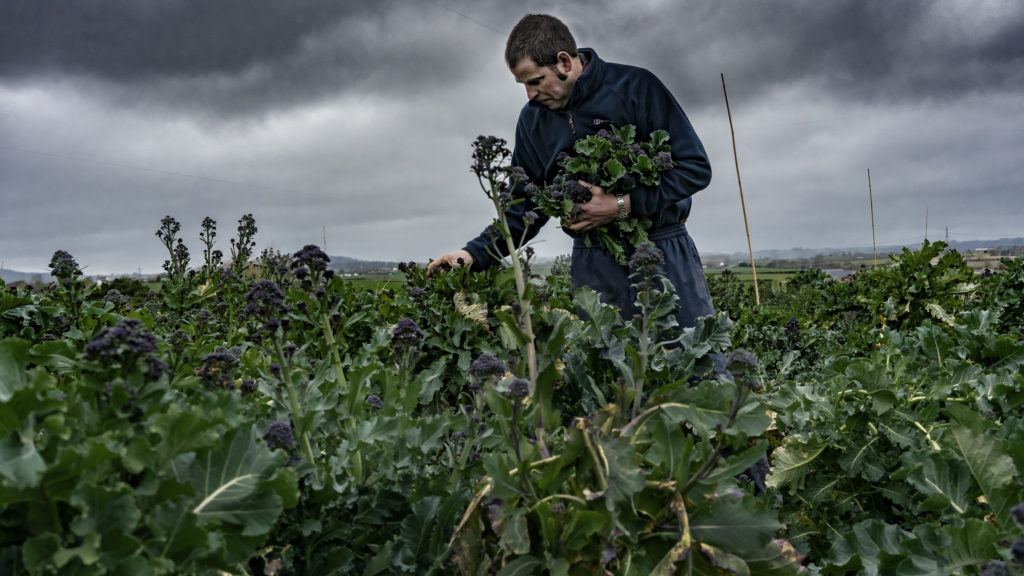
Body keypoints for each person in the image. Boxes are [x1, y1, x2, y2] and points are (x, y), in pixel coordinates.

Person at [428, 13, 717, 345]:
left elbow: (695, 167)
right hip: (594, 263)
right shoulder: (533, 121)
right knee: (608, 378)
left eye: (535, 80)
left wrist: (621, 206)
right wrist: (470, 256)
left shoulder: (636, 87)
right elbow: (523, 210)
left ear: (564, 62)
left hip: (662, 250)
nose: (530, 95)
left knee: (695, 365)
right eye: (523, 84)